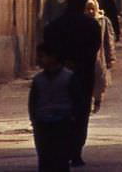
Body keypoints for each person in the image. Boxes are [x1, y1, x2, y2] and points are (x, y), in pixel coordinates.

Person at [44, 0, 101, 168]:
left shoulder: (54, 26)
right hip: (83, 75)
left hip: (58, 74)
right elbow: (93, 50)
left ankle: (59, 151)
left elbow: (48, 50)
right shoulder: (92, 26)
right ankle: (76, 153)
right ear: (84, 4)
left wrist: (64, 63)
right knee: (81, 114)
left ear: (67, 2)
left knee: (58, 112)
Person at [28, 42, 83, 172]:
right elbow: (33, 102)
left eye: (42, 56)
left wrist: (74, 119)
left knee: (61, 159)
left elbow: (77, 100)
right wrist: (34, 120)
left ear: (53, 57)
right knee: (44, 158)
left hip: (62, 123)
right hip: (43, 124)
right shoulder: (38, 80)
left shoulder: (69, 77)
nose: (39, 60)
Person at [85, 0, 116, 113]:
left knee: (100, 82)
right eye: (87, 9)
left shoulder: (103, 21)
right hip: (86, 59)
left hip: (100, 58)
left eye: (92, 9)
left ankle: (97, 101)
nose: (90, 11)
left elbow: (109, 40)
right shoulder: (82, 22)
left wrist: (110, 58)